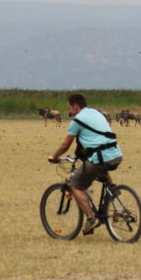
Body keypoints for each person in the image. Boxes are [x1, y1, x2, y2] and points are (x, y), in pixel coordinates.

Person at [48, 93, 122, 233]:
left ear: (75, 106)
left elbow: (65, 145)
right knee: (98, 166)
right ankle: (112, 188)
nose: (69, 111)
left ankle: (91, 218)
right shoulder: (96, 113)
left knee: (75, 185)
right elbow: (92, 140)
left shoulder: (78, 120)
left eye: (69, 107)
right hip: (116, 154)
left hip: (101, 157)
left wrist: (54, 157)